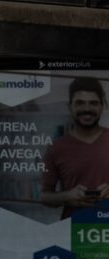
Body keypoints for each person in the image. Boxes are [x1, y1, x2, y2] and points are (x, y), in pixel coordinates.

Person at [40, 76, 109, 217]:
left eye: (93, 103)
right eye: (80, 103)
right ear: (70, 106)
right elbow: (45, 197)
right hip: (72, 229)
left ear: (102, 106)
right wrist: (67, 197)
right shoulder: (55, 148)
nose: (87, 109)